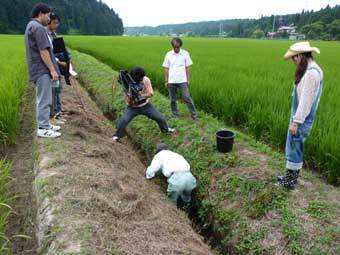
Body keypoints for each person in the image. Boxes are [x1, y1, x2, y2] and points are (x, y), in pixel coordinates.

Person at [277, 41, 323, 190]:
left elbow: (306, 101)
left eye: (294, 58)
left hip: (301, 119)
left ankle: (289, 182)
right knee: (294, 147)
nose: (293, 61)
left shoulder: (311, 74)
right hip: (301, 118)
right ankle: (289, 178)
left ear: (300, 55)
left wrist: (296, 122)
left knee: (295, 149)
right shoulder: (312, 69)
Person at [24, 3, 61, 138]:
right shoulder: (38, 28)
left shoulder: (31, 26)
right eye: (48, 15)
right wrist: (52, 70)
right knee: (44, 99)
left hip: (38, 68)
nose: (49, 18)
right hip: (41, 69)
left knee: (46, 98)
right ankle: (43, 128)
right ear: (41, 14)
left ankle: (45, 124)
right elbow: (43, 51)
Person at [112, 67, 175, 141]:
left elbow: (151, 93)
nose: (142, 79)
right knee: (124, 120)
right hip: (132, 107)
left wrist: (140, 96)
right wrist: (131, 98)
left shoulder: (146, 80)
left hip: (146, 105)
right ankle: (117, 136)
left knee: (160, 118)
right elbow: (128, 100)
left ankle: (166, 130)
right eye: (140, 78)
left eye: (142, 77)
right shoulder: (127, 83)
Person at [146, 143, 197, 211]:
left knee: (171, 202)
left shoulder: (159, 155)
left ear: (158, 151)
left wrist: (148, 176)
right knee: (186, 198)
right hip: (190, 177)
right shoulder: (175, 154)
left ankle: (175, 214)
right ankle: (186, 209)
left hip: (176, 179)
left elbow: (153, 168)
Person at [162, 37, 198, 120]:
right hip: (172, 81)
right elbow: (166, 68)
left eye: (178, 47)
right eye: (174, 47)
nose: (176, 48)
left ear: (180, 46)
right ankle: (175, 115)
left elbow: (187, 68)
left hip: (182, 80)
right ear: (172, 46)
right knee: (172, 100)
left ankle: (194, 115)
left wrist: (188, 80)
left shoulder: (185, 53)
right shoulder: (168, 54)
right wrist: (166, 81)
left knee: (187, 97)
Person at [46, 13, 66, 121]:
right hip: (50, 68)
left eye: (58, 23)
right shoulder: (45, 34)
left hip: (56, 67)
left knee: (57, 90)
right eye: (54, 22)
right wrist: (60, 63)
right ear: (49, 21)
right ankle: (52, 114)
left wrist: (67, 58)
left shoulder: (53, 34)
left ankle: (57, 112)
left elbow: (58, 50)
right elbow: (48, 53)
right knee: (51, 92)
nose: (56, 25)